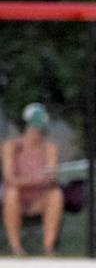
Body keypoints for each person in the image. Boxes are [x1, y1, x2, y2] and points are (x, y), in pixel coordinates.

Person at [1, 103, 62, 256]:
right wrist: (36, 178)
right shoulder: (11, 147)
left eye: (40, 130)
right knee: (12, 193)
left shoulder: (49, 148)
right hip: (16, 199)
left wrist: (43, 179)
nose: (37, 134)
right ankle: (16, 248)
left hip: (39, 199)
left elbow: (51, 177)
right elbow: (10, 179)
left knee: (56, 195)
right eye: (34, 129)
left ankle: (48, 248)